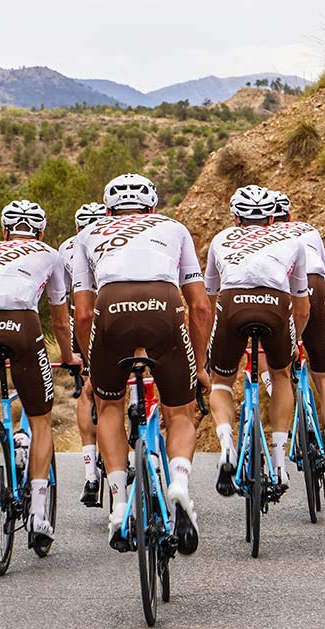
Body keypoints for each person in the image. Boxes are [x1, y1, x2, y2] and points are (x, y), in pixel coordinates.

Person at [72, 173, 212, 555]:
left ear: (108, 209)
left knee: (110, 406)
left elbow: (83, 315)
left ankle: (119, 506)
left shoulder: (88, 235)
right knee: (179, 413)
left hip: (110, 309)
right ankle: (179, 483)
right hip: (163, 304)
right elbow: (200, 306)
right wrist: (199, 366)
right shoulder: (174, 227)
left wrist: (91, 367)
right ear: (152, 207)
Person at [0, 199, 82, 548]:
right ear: (41, 232)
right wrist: (70, 356)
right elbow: (60, 319)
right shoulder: (51, 254)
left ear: (4, 231)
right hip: (21, 324)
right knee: (41, 419)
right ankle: (39, 513)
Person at [204, 185, 313, 496]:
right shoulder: (292, 240)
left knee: (222, 381)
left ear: (235, 216)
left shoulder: (221, 238)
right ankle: (279, 464)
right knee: (279, 376)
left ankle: (227, 445)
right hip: (276, 305)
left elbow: (210, 299)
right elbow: (302, 306)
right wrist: (293, 342)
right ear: (271, 217)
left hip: (231, 304)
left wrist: (210, 346)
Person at [269, 190, 325, 497]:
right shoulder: (308, 230)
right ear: (289, 215)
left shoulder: (254, 239)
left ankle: (277, 391)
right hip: (314, 285)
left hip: (279, 289)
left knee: (276, 366)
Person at [59, 202, 108, 507]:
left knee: (88, 393)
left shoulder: (68, 247)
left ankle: (91, 472)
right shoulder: (116, 236)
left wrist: (72, 348)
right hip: (119, 316)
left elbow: (63, 301)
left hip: (82, 321)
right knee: (125, 384)